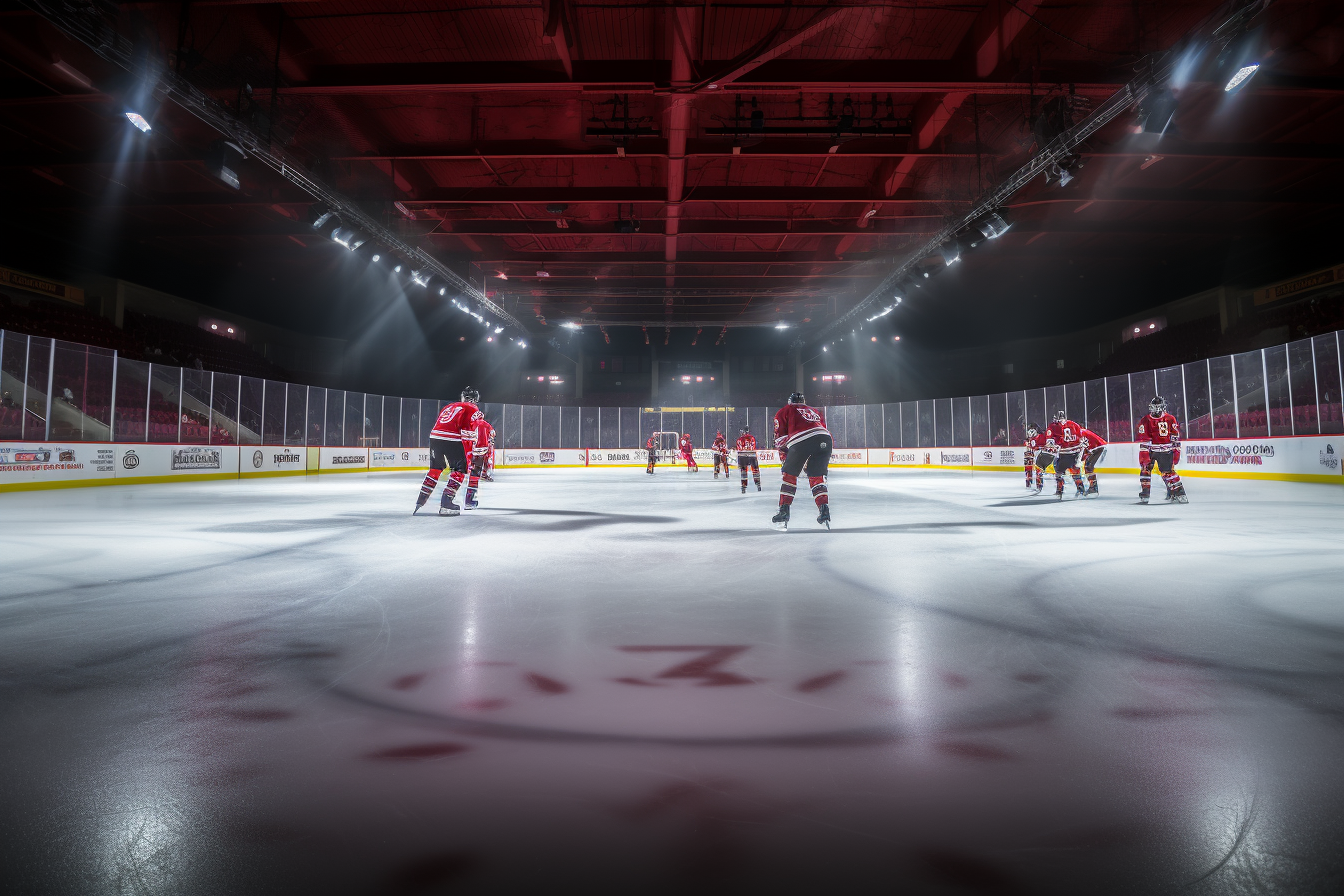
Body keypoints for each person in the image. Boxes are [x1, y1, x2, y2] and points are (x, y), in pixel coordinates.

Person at [414, 387, 482, 516]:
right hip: (452, 437)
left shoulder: (449, 406)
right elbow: (468, 433)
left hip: (435, 436)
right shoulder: (473, 408)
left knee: (435, 469)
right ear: (476, 399)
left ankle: (421, 499)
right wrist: (469, 455)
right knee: (459, 470)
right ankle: (446, 503)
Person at [771, 392, 832, 528]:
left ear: (789, 401)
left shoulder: (784, 411)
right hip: (826, 439)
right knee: (817, 477)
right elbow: (820, 431)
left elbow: (780, 441)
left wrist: (786, 462)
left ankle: (784, 510)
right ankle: (824, 510)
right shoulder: (815, 411)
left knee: (790, 477)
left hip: (801, 440)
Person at [1136, 395, 1187, 504]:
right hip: (1151, 451)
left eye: (1156, 406)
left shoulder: (1169, 418)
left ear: (1162, 407)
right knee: (1145, 469)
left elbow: (1175, 437)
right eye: (1153, 406)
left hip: (1165, 451)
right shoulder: (1145, 420)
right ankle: (1145, 493)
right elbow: (1144, 440)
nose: (1154, 408)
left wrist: (1176, 452)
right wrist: (1144, 456)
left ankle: (1179, 492)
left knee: (1168, 473)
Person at [1046, 410, 1086, 499]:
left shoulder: (1053, 426)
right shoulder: (1074, 424)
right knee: (1075, 471)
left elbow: (1049, 442)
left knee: (1058, 472)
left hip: (1063, 453)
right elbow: (1081, 438)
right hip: (1075, 452)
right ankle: (1080, 488)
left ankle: (1059, 490)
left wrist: (1051, 447)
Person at [1078, 425, 1108, 497]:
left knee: (1088, 467)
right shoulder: (1082, 431)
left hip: (1097, 448)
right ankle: (1093, 487)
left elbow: (1083, 448)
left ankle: (1093, 487)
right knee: (1088, 467)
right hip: (1098, 447)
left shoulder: (1080, 433)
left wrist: (1081, 458)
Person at [1024, 423, 1052, 494]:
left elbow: (1047, 443)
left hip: (1039, 453)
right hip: (1032, 453)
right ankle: (1029, 482)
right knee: (1028, 467)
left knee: (1038, 470)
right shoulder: (1030, 439)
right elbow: (1028, 444)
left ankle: (1039, 484)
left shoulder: (1042, 436)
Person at [735, 427, 761, 493]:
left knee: (743, 471)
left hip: (742, 456)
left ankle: (744, 486)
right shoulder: (752, 438)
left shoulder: (739, 439)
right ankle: (758, 484)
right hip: (752, 455)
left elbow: (739, 448)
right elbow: (754, 446)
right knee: (755, 470)